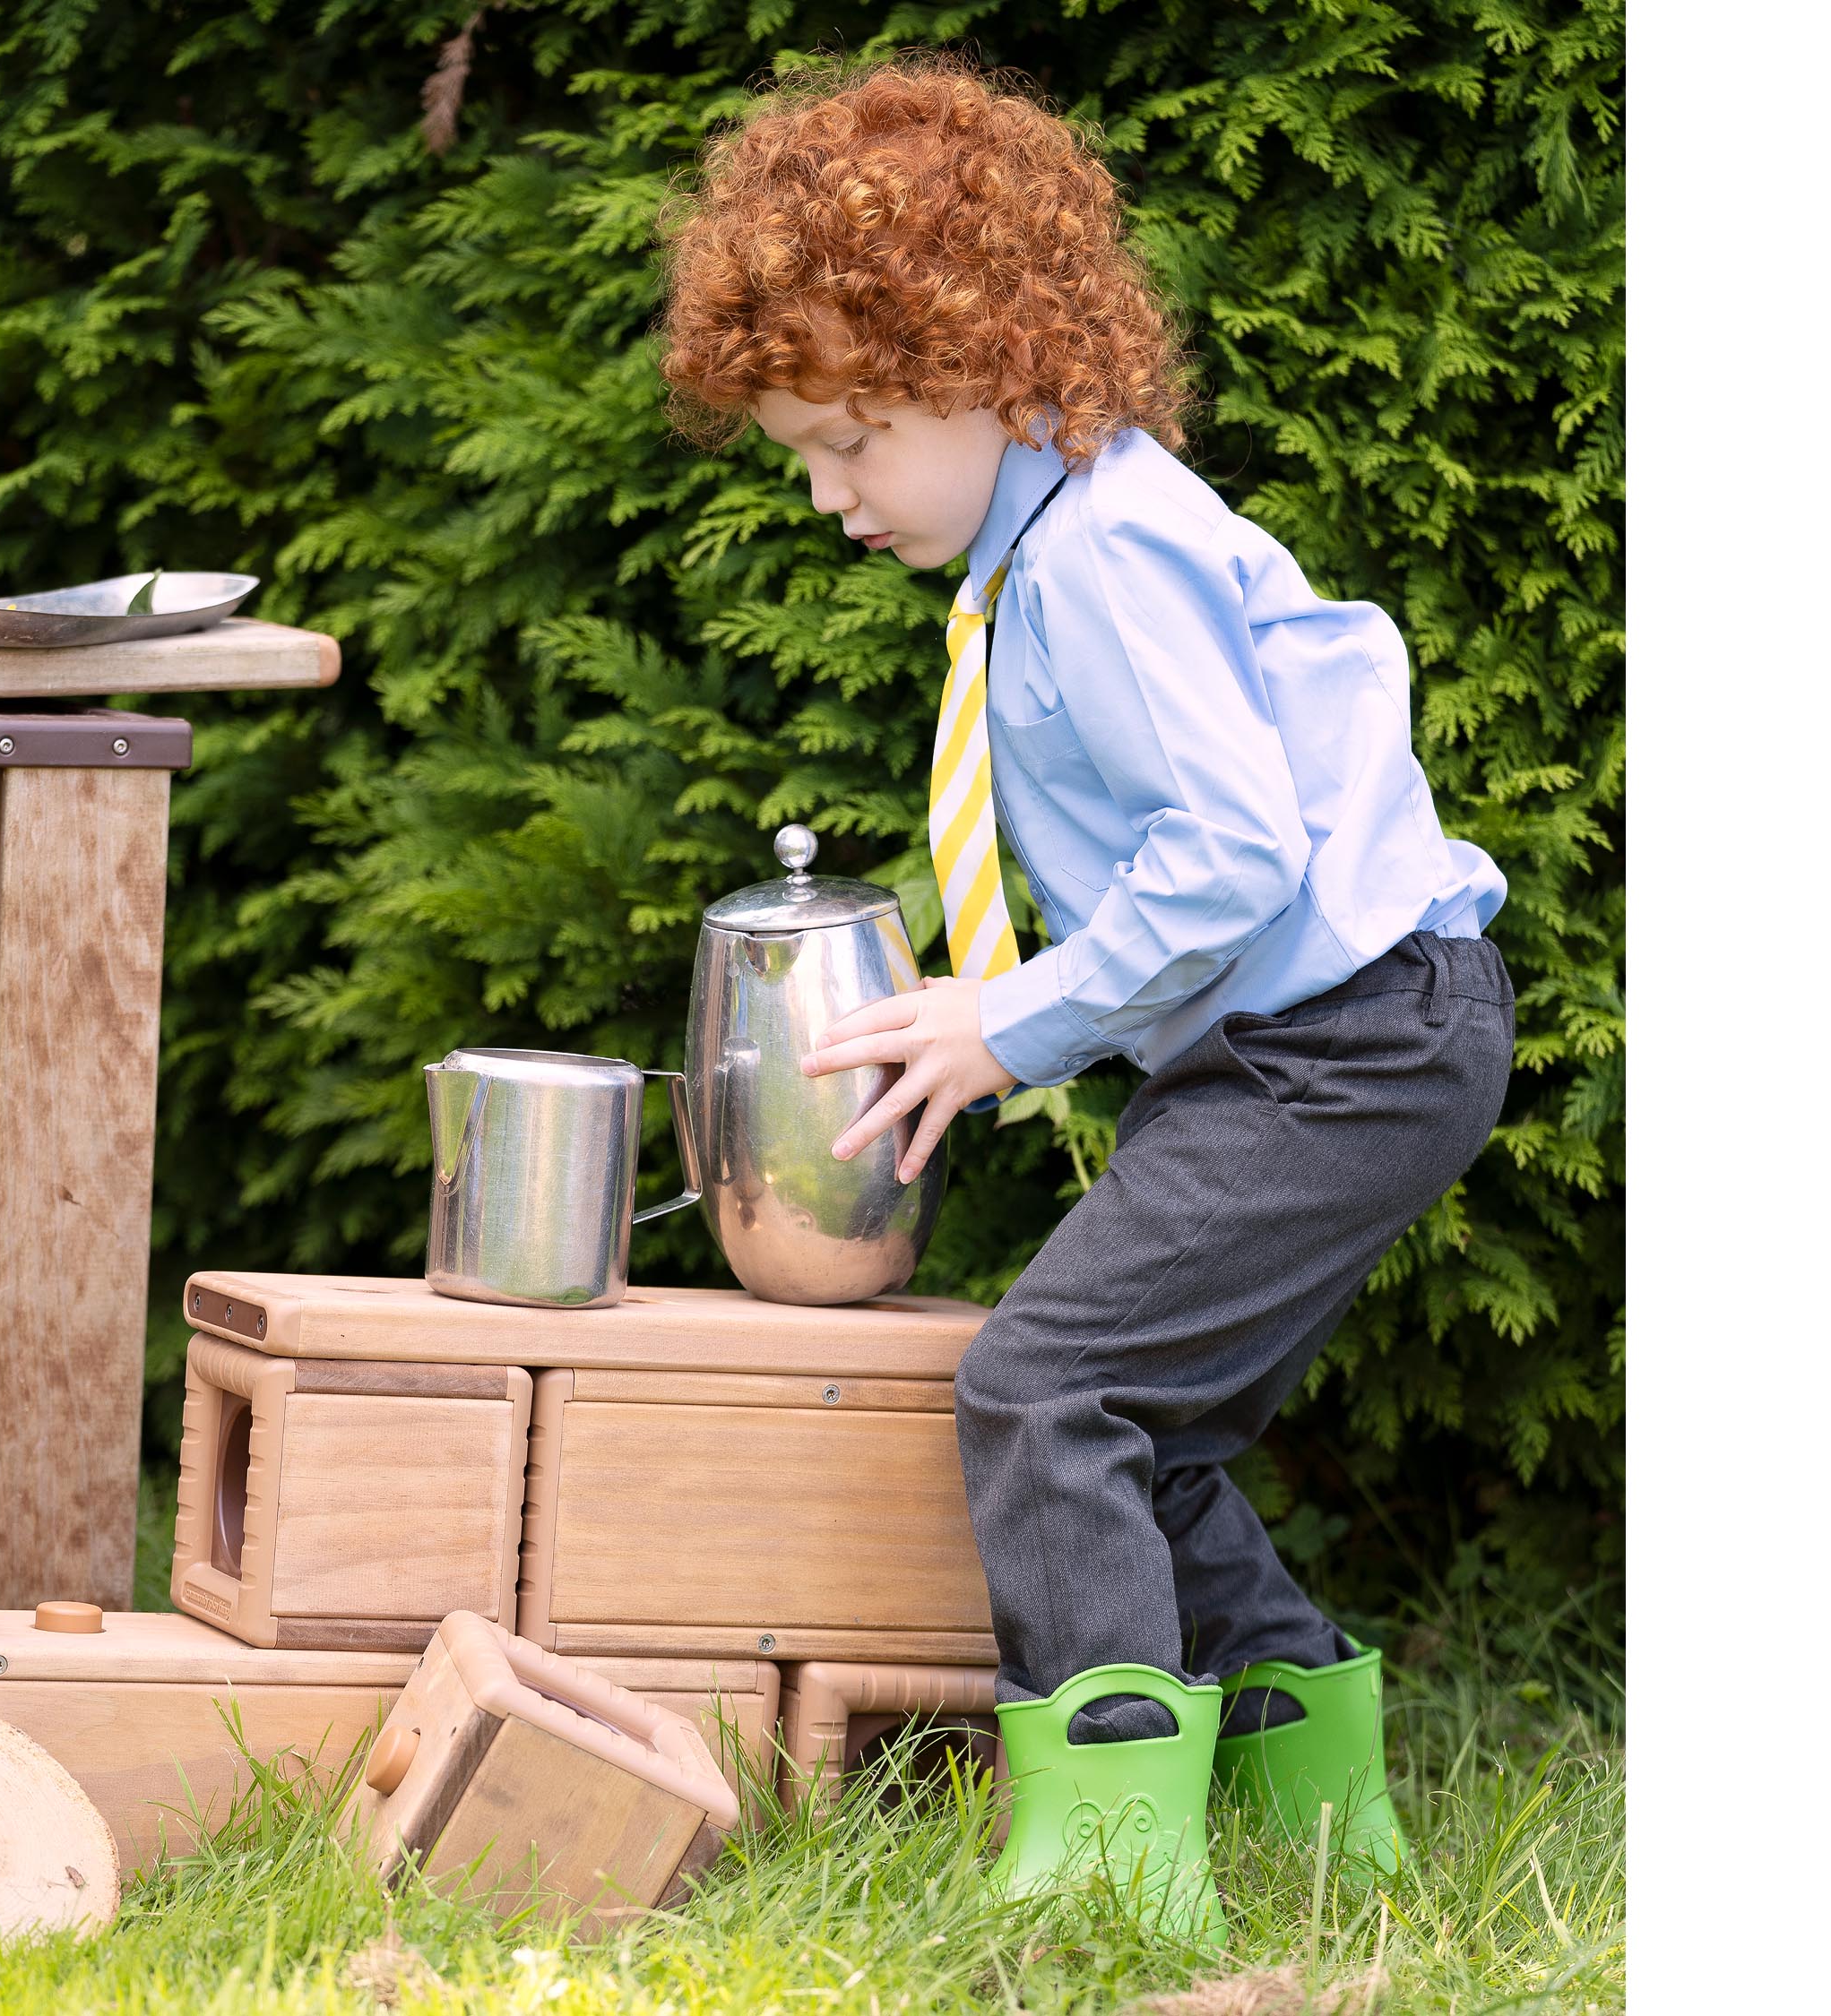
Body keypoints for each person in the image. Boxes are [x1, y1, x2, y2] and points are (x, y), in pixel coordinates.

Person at [658, 54, 1514, 1933]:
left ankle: (1118, 1877)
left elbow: (1230, 861)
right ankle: (1318, 1820)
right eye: (802, 449)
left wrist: (1012, 1020)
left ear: (981, 364)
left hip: (1349, 1042)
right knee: (1148, 1424)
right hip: (1332, 1041)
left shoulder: (1107, 555)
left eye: (852, 438)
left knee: (1043, 1384)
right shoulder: (1055, 543)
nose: (825, 494)